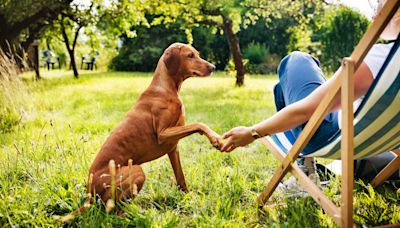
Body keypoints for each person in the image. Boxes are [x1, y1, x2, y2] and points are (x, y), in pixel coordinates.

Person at [220, 1, 400, 182]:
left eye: (378, 3)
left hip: (330, 137)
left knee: (297, 59)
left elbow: (308, 110)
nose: (373, 13)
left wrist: (252, 132)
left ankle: (305, 170)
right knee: (282, 89)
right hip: (377, 142)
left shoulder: (381, 59)